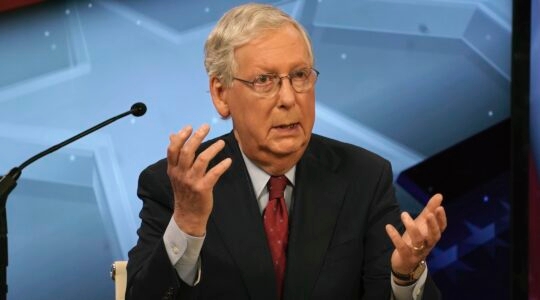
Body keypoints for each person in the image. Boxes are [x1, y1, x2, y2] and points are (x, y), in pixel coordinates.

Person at [126, 3, 447, 300]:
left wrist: (405, 276)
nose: (289, 98)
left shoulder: (363, 175)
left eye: (299, 76)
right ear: (221, 93)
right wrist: (187, 224)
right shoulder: (175, 187)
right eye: (264, 80)